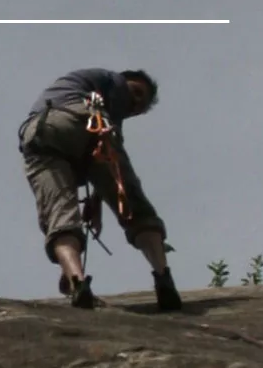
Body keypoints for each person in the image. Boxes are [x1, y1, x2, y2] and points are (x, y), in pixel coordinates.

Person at [17, 67, 182, 311]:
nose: (134, 104)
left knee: (59, 214)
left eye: (140, 106)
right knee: (135, 208)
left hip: (44, 132)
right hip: (81, 118)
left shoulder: (79, 86)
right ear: (125, 80)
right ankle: (163, 275)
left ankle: (76, 281)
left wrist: (96, 199)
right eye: (136, 93)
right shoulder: (110, 81)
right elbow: (106, 154)